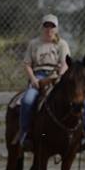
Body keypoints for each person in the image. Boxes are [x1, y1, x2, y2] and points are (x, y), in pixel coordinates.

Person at [18, 14, 71, 152]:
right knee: (28, 100)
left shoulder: (62, 44)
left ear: (57, 29)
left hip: (56, 76)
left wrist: (60, 75)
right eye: (46, 26)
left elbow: (65, 63)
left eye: (52, 26)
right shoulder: (34, 44)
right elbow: (27, 64)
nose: (49, 29)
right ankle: (25, 134)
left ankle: (76, 135)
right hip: (38, 76)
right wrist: (33, 79)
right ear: (41, 27)